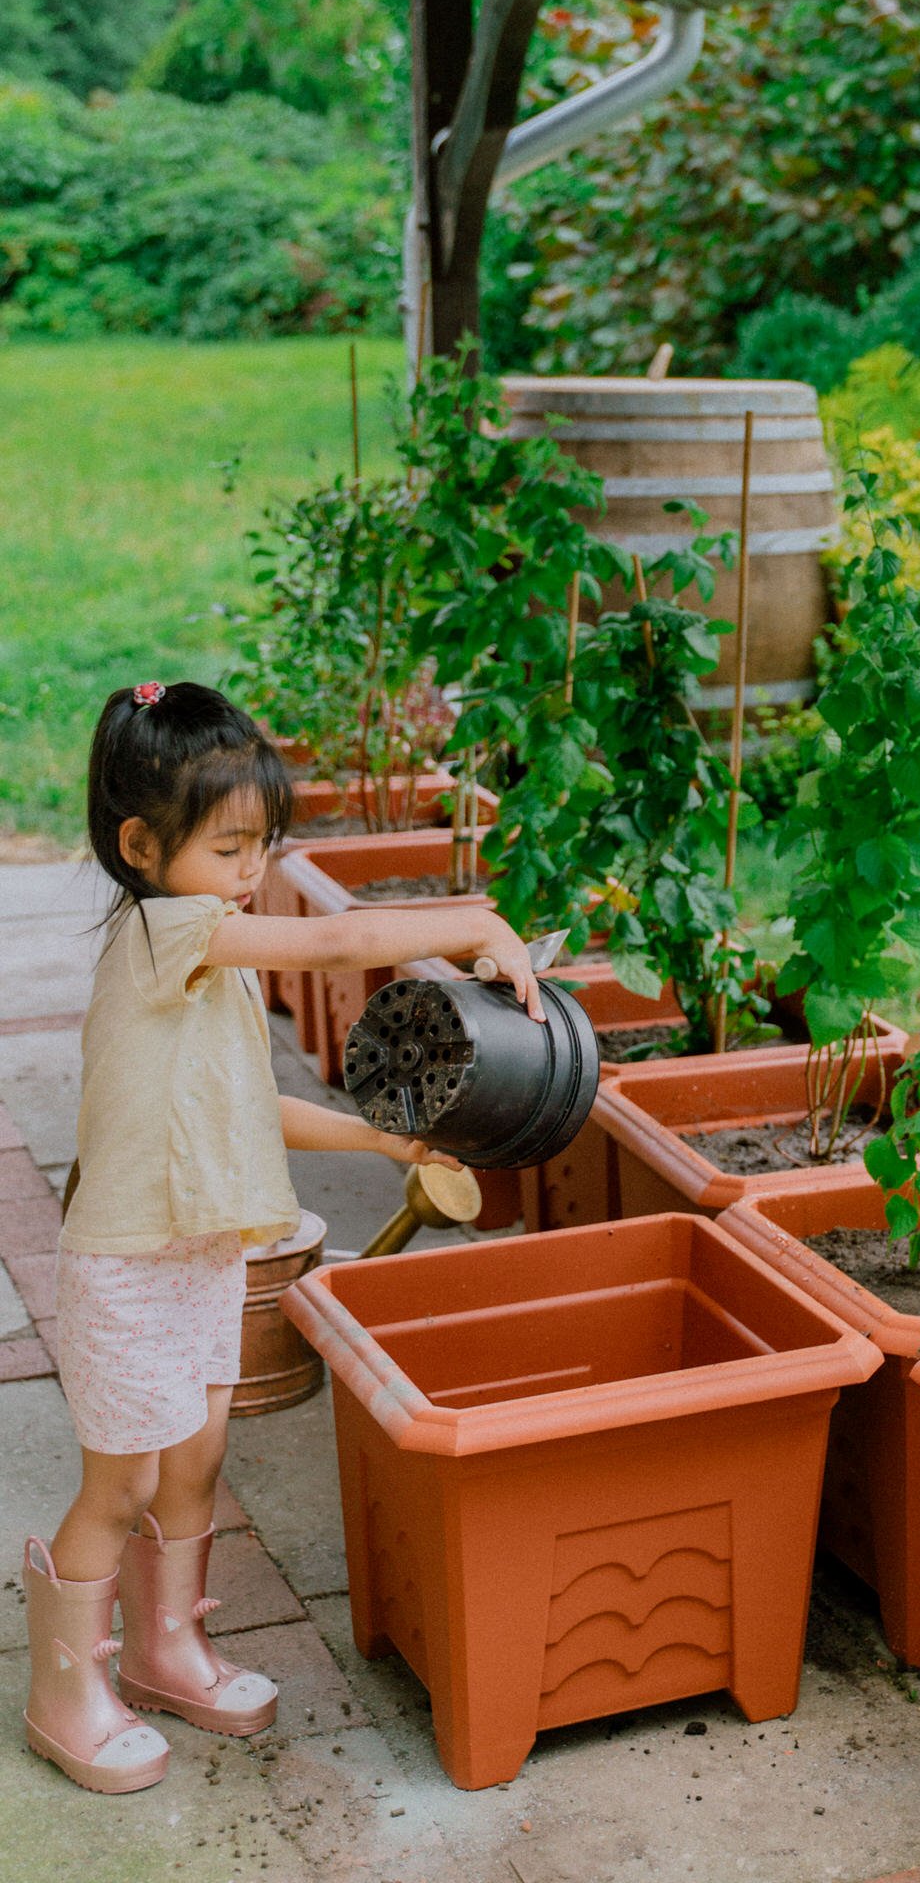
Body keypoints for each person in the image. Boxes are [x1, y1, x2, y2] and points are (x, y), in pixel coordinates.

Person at [24, 680, 544, 1798]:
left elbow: (251, 1103)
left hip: (202, 1252)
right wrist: (472, 923)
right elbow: (345, 934)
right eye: (231, 847)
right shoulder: (171, 929)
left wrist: (384, 1143)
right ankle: (64, 1692)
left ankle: (167, 1653)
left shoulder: (215, 949)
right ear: (140, 845)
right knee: (118, 1486)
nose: (252, 870)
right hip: (125, 1261)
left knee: (198, 1461)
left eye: (265, 846)